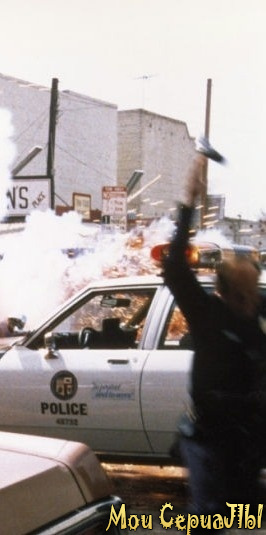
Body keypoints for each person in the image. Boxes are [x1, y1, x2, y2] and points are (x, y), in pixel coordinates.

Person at [163, 145, 266, 520]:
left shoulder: (259, 313)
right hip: (207, 440)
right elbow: (175, 269)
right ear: (224, 292)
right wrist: (188, 201)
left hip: (249, 441)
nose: (248, 301)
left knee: (243, 512)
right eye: (241, 294)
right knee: (208, 517)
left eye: (252, 292)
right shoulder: (208, 314)